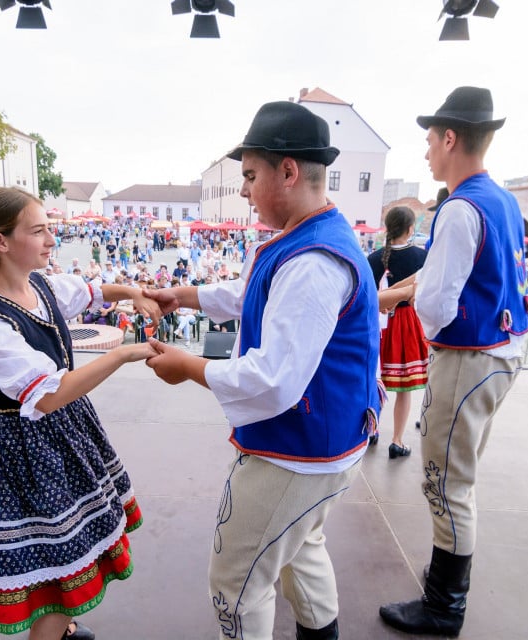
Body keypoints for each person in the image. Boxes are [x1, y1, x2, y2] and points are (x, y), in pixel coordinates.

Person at [144, 100, 380, 640]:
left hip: (298, 450)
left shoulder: (311, 261)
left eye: (251, 176)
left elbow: (274, 378)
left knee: (237, 580)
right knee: (301, 550)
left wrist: (190, 366)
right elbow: (252, 295)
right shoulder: (311, 236)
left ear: (289, 171)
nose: (246, 191)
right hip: (331, 441)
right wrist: (183, 296)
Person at [0, 187, 159, 639]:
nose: (51, 240)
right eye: (37, 231)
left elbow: (91, 291)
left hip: (64, 433)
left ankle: (64, 627)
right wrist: (121, 355)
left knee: (70, 541)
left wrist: (133, 291)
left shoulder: (40, 285)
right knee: (53, 558)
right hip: (25, 449)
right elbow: (49, 394)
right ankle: (53, 632)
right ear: (0, 240)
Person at [378, 87, 528, 637]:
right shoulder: (503, 200)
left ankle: (445, 604)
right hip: (500, 355)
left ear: (450, 138)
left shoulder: (460, 207)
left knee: (445, 482)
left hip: (468, 358)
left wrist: (412, 302)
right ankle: (448, 573)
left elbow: (438, 306)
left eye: (428, 142)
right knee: (459, 476)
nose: (425, 154)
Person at [368, 205, 427, 458]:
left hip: (376, 322)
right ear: (411, 228)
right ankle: (398, 439)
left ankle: (373, 429)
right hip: (406, 321)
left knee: (374, 378)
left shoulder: (374, 258)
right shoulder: (422, 258)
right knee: (403, 386)